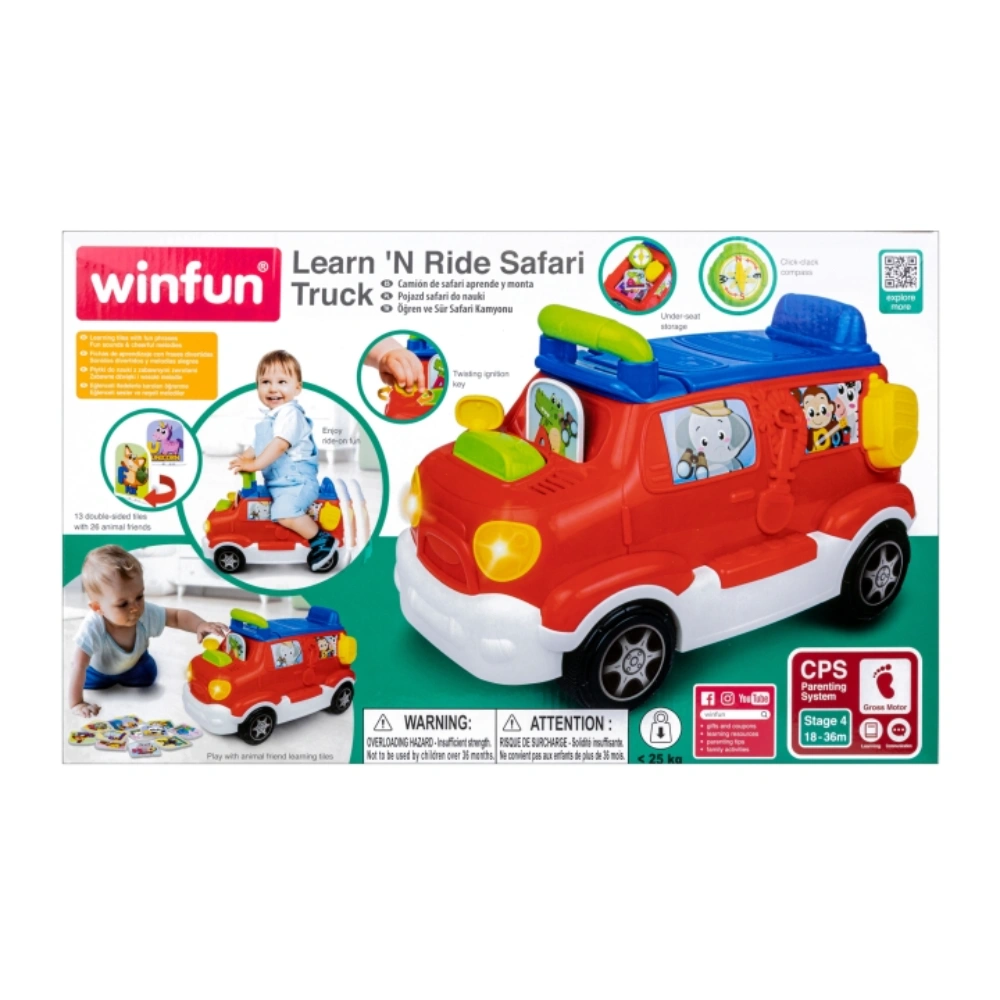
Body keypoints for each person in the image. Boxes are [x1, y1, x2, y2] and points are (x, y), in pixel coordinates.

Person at [69, 545, 229, 718]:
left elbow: (176, 617)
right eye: (123, 604)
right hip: (98, 672)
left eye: (139, 596)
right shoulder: (93, 626)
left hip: (135, 665)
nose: (135, 608)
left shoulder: (145, 613)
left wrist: (200, 625)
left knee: (148, 675)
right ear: (97, 608)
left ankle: (136, 668)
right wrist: (77, 703)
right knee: (84, 677)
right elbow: (79, 665)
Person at [228, 350, 337, 571]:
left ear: (297, 388)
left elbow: (279, 445)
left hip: (298, 482)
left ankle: (321, 539)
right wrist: (246, 457)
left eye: (282, 382)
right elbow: (259, 445)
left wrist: (254, 465)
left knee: (284, 513)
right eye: (265, 382)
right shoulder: (270, 419)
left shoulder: (290, 414)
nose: (272, 388)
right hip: (280, 484)